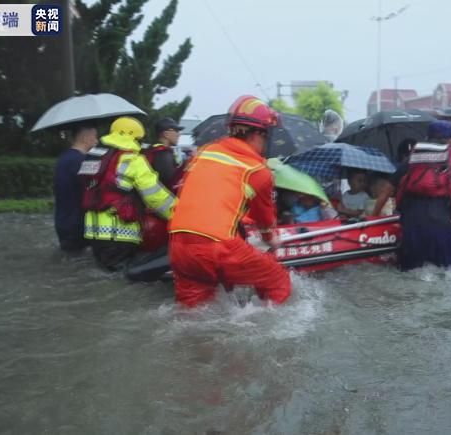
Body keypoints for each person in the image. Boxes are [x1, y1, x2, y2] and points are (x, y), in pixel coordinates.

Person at [168, 96, 291, 307]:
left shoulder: (203, 153)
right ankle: (267, 336)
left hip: (178, 246)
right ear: (258, 134)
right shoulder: (257, 170)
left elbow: (204, 197)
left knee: (194, 309)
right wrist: (272, 239)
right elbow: (265, 221)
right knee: (277, 279)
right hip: (217, 247)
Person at [78, 116, 176, 271]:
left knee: (104, 277)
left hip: (92, 233)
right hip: (120, 235)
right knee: (126, 278)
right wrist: (179, 214)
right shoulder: (132, 159)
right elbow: (155, 197)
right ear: (134, 137)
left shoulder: (93, 156)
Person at [394, 120, 451, 271]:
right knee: (446, 272)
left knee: (410, 271)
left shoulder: (411, 158)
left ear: (428, 137)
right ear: (449, 139)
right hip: (440, 221)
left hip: (412, 222)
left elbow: (394, 183)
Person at [53, 122, 98, 252]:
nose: (97, 140)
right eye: (94, 136)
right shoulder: (80, 161)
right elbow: (91, 189)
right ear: (84, 138)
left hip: (63, 219)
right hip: (77, 223)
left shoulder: (64, 158)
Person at [143, 117, 185, 190]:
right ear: (166, 134)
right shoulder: (163, 154)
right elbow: (169, 183)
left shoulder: (152, 149)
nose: (179, 135)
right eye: (176, 131)